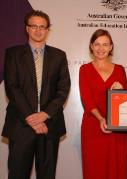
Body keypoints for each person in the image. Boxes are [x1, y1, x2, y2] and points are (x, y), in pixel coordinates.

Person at [2, 10, 71, 179]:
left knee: (47, 175)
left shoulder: (59, 56)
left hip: (50, 125)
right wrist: (31, 117)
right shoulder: (13, 54)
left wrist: (44, 114)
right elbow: (12, 88)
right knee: (17, 174)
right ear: (27, 28)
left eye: (42, 27)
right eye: (34, 26)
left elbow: (63, 89)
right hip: (20, 125)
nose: (38, 30)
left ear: (48, 30)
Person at [79, 29, 127, 179]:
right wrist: (101, 119)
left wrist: (122, 90)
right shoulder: (84, 69)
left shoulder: (120, 70)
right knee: (94, 169)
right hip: (93, 125)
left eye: (105, 44)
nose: (101, 48)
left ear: (111, 47)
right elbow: (87, 99)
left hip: (118, 129)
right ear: (91, 46)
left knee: (117, 169)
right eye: (97, 44)